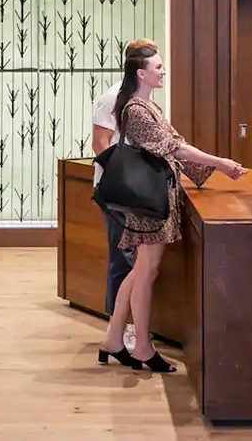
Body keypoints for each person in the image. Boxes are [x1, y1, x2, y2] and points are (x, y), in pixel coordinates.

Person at [98, 44, 247, 371]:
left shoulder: (148, 106)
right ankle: (142, 347)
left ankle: (112, 339)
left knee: (139, 271)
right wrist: (219, 163)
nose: (163, 71)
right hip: (150, 204)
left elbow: (176, 144)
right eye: (158, 66)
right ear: (141, 73)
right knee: (146, 273)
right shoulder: (136, 110)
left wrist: (210, 169)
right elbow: (174, 148)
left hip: (155, 200)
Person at [92, 38, 157, 351]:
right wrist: (124, 180)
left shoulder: (145, 98)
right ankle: (120, 329)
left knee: (137, 261)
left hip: (139, 191)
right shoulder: (112, 98)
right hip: (119, 191)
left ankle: (128, 328)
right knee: (124, 259)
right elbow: (100, 143)